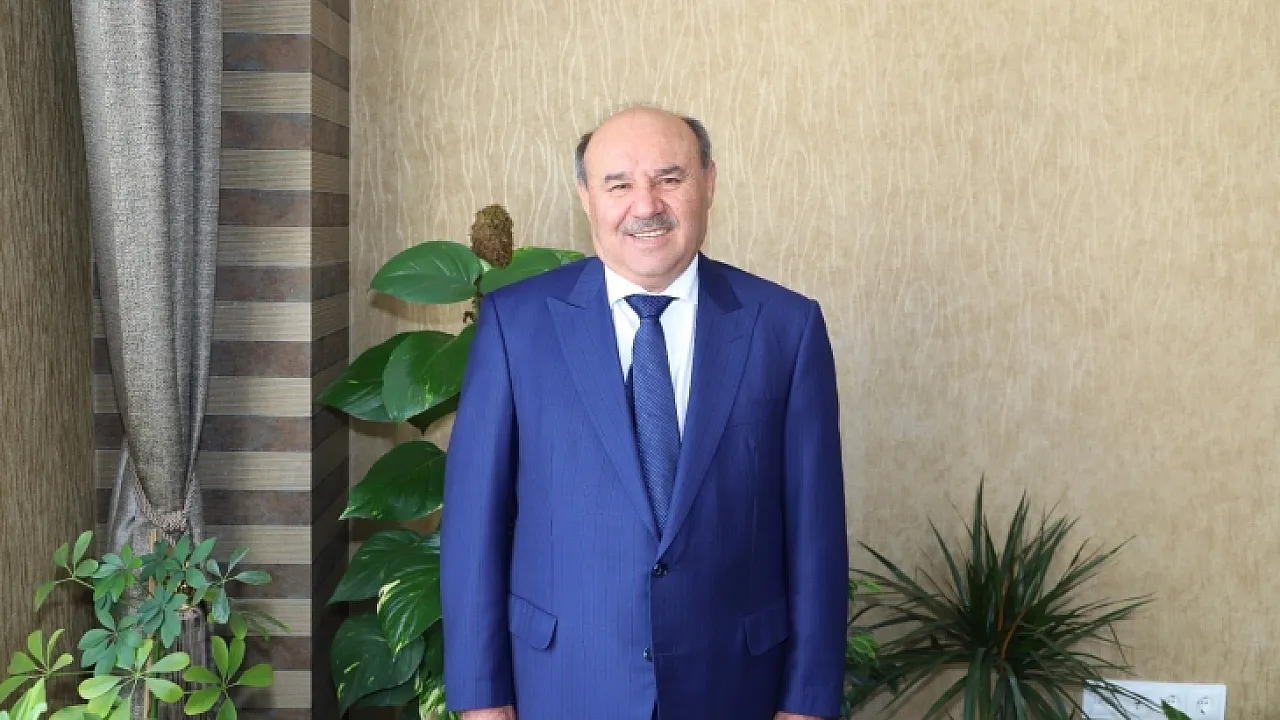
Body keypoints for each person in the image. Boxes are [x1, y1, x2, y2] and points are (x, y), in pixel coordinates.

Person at [440, 105, 849, 720]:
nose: (646, 204)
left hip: (736, 687)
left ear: (709, 183)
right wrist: (481, 698)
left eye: (669, 178)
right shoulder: (514, 327)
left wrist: (808, 703)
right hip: (564, 683)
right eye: (618, 184)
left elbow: (816, 535)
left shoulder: (786, 329)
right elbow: (476, 526)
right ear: (586, 197)